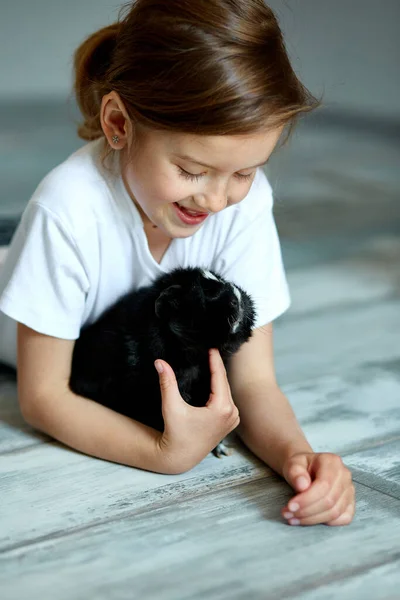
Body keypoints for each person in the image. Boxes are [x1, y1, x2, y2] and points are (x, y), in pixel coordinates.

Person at [0, 0, 355, 527]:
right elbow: (44, 396)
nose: (216, 200)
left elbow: (254, 381)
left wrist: (295, 456)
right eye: (191, 170)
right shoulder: (65, 210)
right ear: (118, 123)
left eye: (245, 172)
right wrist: (160, 451)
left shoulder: (244, 203)